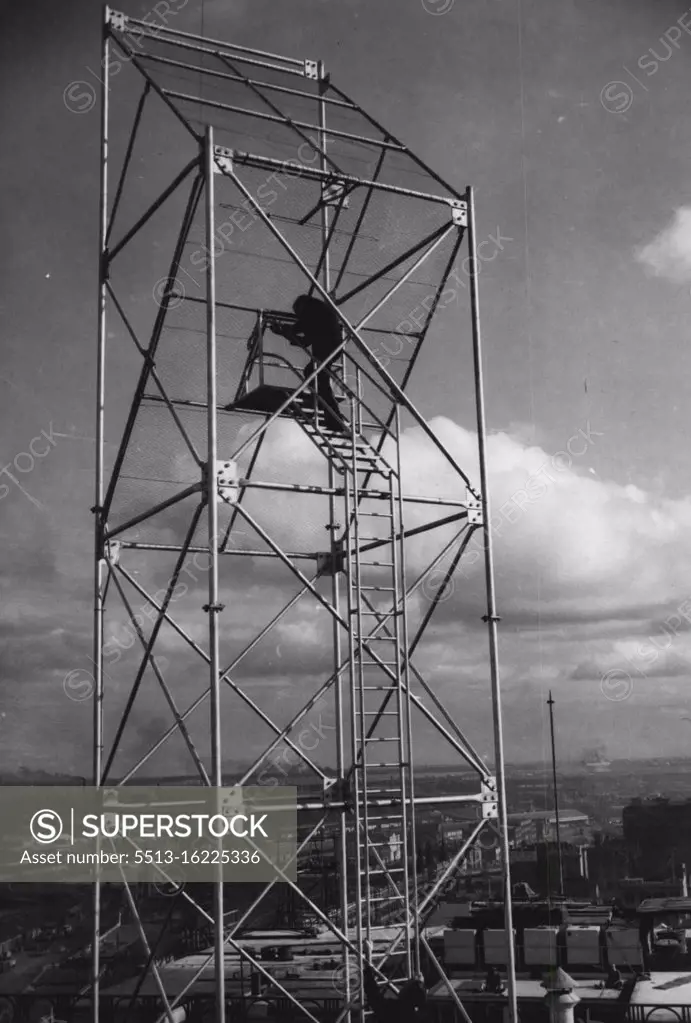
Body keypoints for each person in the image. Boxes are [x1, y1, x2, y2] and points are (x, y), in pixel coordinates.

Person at [270, 294, 347, 432]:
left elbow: (303, 335)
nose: (297, 315)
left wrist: (285, 331)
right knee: (316, 377)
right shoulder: (318, 311)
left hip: (326, 348)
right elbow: (304, 335)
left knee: (316, 377)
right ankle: (328, 411)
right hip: (330, 347)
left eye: (297, 312)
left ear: (301, 306)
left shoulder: (312, 311)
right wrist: (286, 332)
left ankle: (332, 416)